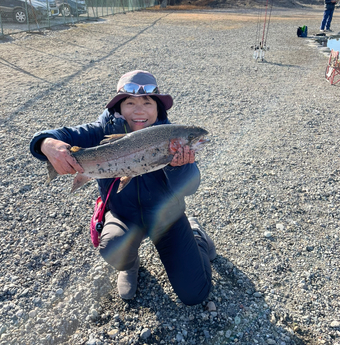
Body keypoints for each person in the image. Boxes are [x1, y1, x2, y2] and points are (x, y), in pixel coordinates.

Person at [29, 70, 215, 305]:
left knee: (195, 294)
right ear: (118, 108)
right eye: (130, 103)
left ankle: (195, 235)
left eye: (147, 103)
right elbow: (50, 136)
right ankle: (130, 265)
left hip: (167, 217)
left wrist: (178, 167)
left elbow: (190, 187)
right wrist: (47, 143)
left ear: (158, 108)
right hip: (123, 216)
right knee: (112, 247)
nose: (139, 110)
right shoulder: (100, 130)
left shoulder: (171, 136)